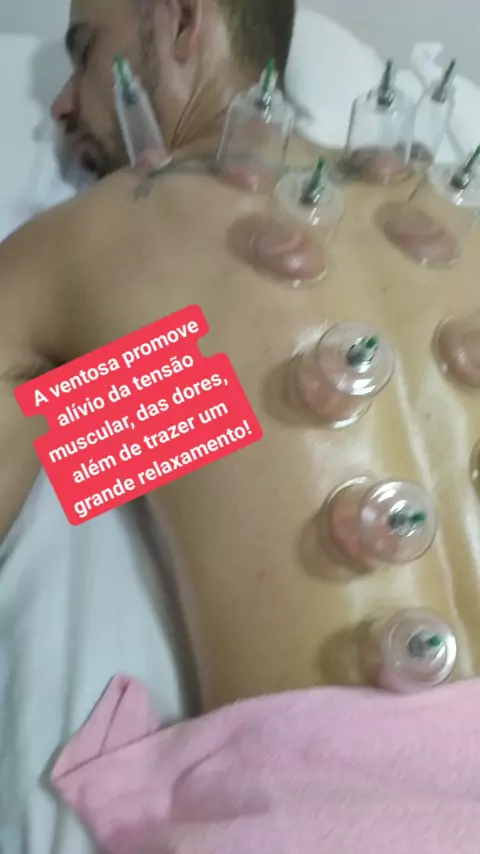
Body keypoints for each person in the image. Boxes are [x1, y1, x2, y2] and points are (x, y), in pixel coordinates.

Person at [2, 0, 479, 714]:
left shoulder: (83, 240)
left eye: (86, 51)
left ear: (181, 20)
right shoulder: (457, 217)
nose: (62, 103)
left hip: (331, 772)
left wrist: (181, 396)